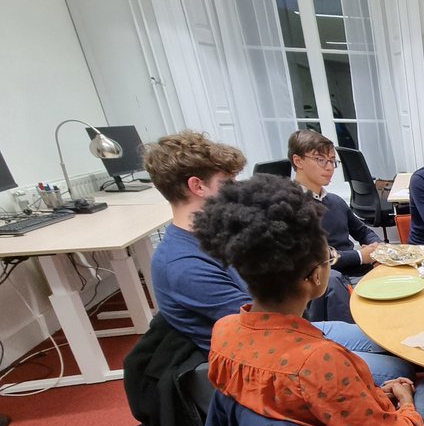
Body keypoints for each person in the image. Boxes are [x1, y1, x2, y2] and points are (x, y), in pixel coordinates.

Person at [193, 174, 424, 426]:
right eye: (329, 255)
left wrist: (370, 394)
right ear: (314, 276)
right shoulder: (321, 363)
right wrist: (406, 401)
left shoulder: (224, 331)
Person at [143, 130, 405, 383]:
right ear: (197, 186)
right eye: (227, 183)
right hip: (267, 356)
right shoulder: (183, 265)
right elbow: (265, 328)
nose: (236, 190)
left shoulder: (220, 236)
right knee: (398, 366)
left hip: (287, 332)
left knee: (393, 341)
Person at [288, 129, 380, 279]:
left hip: (358, 273)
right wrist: (361, 256)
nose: (329, 167)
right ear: (298, 161)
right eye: (320, 159)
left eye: (332, 161)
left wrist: (377, 248)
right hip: (330, 282)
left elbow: (363, 232)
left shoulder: (335, 201)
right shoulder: (290, 207)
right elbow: (317, 258)